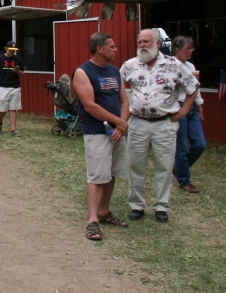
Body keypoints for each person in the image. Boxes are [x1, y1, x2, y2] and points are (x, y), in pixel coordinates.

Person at [121, 29, 198, 223]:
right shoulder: (130, 65)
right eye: (139, 42)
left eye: (146, 42)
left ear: (157, 44)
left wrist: (184, 110)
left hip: (165, 124)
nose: (142, 46)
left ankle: (161, 207)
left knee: (163, 167)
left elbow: (192, 87)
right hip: (137, 123)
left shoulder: (173, 65)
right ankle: (137, 205)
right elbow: (117, 86)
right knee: (135, 166)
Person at [72, 33, 130, 241]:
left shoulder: (115, 71)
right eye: (112, 47)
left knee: (111, 172)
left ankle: (105, 212)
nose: (115, 50)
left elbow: (124, 101)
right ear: (100, 48)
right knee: (97, 175)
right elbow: (89, 105)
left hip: (116, 132)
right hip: (97, 132)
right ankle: (93, 220)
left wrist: (121, 126)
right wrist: (119, 122)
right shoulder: (83, 72)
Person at [171, 36, 206, 194]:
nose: (190, 52)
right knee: (182, 148)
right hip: (179, 106)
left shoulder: (190, 65)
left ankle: (178, 168)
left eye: (192, 49)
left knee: (200, 144)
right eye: (187, 49)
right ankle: (185, 181)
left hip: (191, 108)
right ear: (177, 50)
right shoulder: (170, 65)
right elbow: (169, 86)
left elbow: (194, 88)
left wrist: (200, 106)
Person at [0, 41, 25, 136]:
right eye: (11, 50)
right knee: (2, 109)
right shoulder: (0, 59)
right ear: (6, 48)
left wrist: (17, 71)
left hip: (15, 86)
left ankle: (13, 130)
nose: (12, 52)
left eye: (14, 50)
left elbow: (22, 74)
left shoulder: (18, 59)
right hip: (3, 87)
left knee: (13, 108)